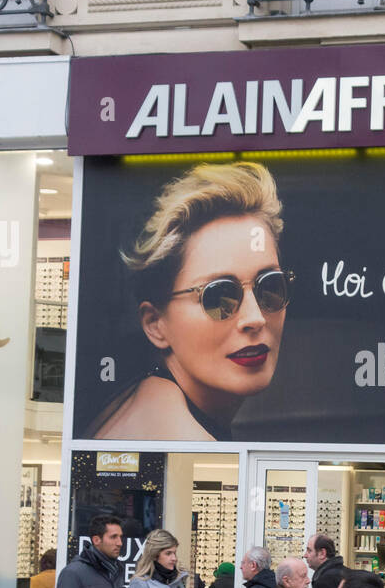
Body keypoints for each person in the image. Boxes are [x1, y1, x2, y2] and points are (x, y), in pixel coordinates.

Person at [88, 162, 292, 441]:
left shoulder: (144, 400)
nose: (255, 318)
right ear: (155, 324)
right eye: (219, 296)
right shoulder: (185, 441)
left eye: (270, 287)